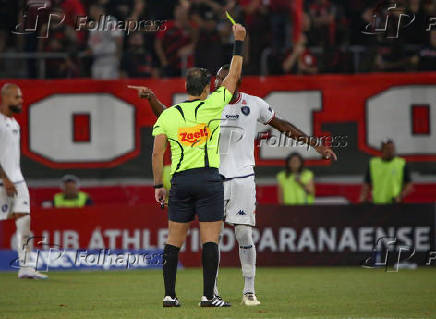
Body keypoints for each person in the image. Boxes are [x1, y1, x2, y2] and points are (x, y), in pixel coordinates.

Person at [130, 60, 336, 307]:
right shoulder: (209, 103)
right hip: (213, 178)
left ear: (237, 79)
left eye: (225, 77)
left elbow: (281, 124)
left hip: (242, 178)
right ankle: (212, 291)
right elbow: (170, 117)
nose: (220, 82)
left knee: (243, 233)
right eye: (217, 78)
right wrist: (152, 99)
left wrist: (314, 144)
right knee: (212, 239)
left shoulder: (254, 103)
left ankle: (249, 290)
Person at [151, 23, 246, 308]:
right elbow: (233, 76)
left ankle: (169, 296)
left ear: (185, 88)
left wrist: (158, 185)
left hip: (179, 181)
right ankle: (208, 296)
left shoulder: (168, 114)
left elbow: (157, 154)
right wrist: (238, 42)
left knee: (173, 240)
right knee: (210, 240)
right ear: (207, 88)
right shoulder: (214, 104)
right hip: (208, 181)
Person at [0, 83, 47, 279]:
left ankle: (26, 267)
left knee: (24, 221)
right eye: (17, 97)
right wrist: (5, 178)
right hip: (4, 181)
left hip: (17, 180)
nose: (21, 100)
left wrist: (13, 179)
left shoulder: (14, 123)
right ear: (4, 98)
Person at [359, 139, 413, 204]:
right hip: (377, 203)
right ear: (382, 150)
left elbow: (409, 186)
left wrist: (400, 196)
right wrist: (362, 199)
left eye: (392, 148)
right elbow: (367, 185)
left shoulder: (401, 163)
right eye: (388, 149)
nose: (391, 151)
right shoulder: (373, 164)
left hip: (394, 203)